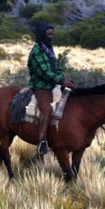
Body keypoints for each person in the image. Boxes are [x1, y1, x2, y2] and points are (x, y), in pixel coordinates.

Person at [27, 22, 75, 155]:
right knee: (47, 109)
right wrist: (60, 80)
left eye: (52, 33)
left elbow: (57, 67)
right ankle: (42, 141)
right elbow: (44, 72)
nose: (51, 35)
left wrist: (63, 79)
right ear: (42, 34)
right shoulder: (37, 51)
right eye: (48, 33)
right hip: (41, 87)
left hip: (54, 85)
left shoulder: (49, 49)